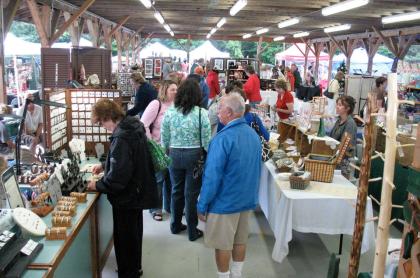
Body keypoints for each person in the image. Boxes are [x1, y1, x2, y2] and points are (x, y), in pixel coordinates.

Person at [87, 99, 158, 278]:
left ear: (108, 117)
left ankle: (128, 273)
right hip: (137, 191)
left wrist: (98, 185)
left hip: (127, 197)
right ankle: (135, 268)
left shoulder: (121, 137)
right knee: (134, 234)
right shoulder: (132, 125)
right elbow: (126, 160)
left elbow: (118, 178)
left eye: (102, 123)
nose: (103, 127)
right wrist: (105, 165)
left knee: (125, 238)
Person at [197, 93, 262, 278]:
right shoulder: (253, 135)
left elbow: (212, 177)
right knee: (240, 240)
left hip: (225, 202)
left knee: (222, 244)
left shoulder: (222, 139)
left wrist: (202, 204)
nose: (217, 110)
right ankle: (237, 274)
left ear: (229, 112)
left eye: (220, 107)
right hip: (246, 200)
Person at [161, 79, 211, 241]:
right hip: (195, 156)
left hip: (173, 155)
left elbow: (164, 137)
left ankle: (175, 225)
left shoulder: (170, 112)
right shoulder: (201, 113)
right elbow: (206, 140)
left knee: (176, 190)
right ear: (197, 95)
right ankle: (192, 230)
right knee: (191, 194)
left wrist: (165, 153)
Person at [140, 81, 177, 221]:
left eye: (176, 89)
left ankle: (168, 207)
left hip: (173, 147)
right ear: (164, 90)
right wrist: (151, 143)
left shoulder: (177, 105)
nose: (175, 92)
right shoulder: (156, 104)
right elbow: (143, 124)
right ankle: (155, 208)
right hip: (158, 147)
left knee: (170, 178)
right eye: (172, 89)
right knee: (159, 179)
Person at [329, 96, 357, 178]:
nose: (337, 106)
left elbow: (347, 146)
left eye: (340, 105)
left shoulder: (350, 124)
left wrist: (337, 160)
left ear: (347, 108)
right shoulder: (339, 121)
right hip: (335, 158)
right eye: (337, 104)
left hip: (343, 162)